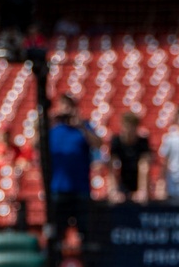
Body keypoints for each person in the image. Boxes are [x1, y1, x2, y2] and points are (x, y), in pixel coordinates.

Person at [46, 97, 97, 237]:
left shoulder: (83, 127)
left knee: (86, 233)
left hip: (81, 190)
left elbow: (98, 144)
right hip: (58, 190)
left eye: (69, 107)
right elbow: (35, 146)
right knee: (57, 234)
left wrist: (80, 125)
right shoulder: (53, 130)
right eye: (63, 107)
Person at [107, 111, 153, 204]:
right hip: (122, 182)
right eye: (126, 127)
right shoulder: (116, 142)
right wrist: (113, 191)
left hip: (138, 180)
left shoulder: (142, 142)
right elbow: (112, 166)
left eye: (132, 127)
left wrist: (142, 190)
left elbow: (144, 165)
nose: (129, 130)